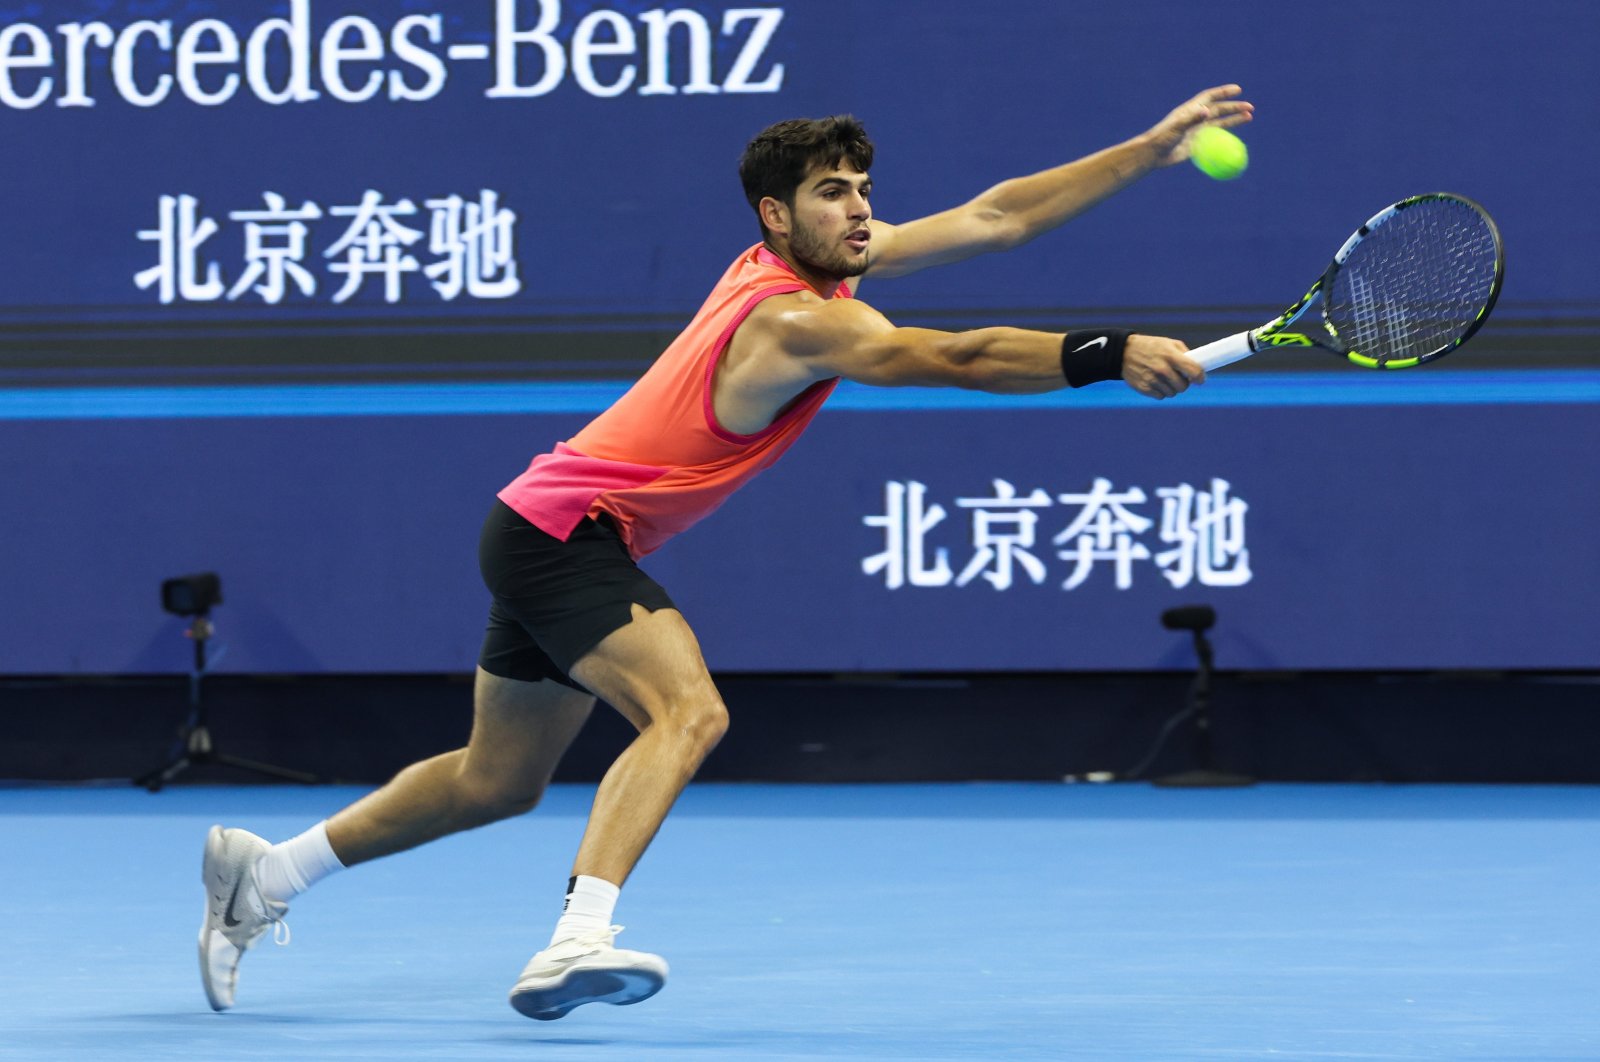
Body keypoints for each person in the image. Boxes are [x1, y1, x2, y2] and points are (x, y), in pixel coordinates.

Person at [199, 84, 1253, 1020]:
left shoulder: (814, 261)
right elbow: (951, 354)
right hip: (571, 533)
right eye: (834, 192)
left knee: (497, 781)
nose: (859, 210)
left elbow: (997, 216)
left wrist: (1148, 147)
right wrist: (1106, 353)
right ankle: (576, 940)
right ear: (775, 214)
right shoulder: (793, 321)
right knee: (688, 712)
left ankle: (268, 874)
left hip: (537, 521)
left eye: (863, 189)